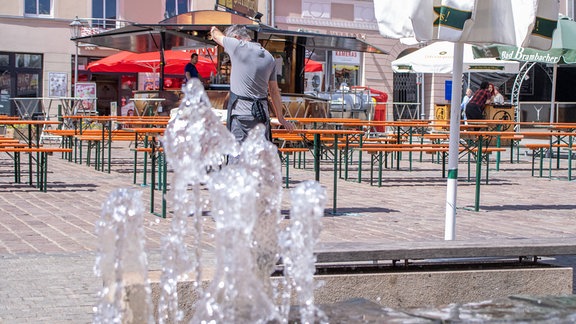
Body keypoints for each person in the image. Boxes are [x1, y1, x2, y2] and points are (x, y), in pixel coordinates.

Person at [210, 25, 294, 142]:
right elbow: (274, 91)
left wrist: (213, 25)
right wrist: (281, 117)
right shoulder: (269, 57)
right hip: (261, 115)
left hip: (240, 116)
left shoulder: (237, 46)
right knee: (258, 156)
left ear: (236, 37)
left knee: (238, 157)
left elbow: (215, 34)